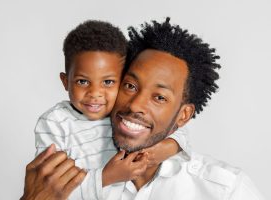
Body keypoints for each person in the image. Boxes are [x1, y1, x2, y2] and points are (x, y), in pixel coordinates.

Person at [101, 17, 265, 199]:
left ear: (183, 115)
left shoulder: (225, 190)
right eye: (130, 86)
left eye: (159, 97)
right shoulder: (74, 170)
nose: (135, 105)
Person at [27, 20, 189, 199]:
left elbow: (174, 130)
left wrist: (169, 146)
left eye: (108, 82)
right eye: (82, 81)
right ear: (66, 81)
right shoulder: (55, 122)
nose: (95, 94)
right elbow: (51, 186)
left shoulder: (117, 113)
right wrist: (107, 177)